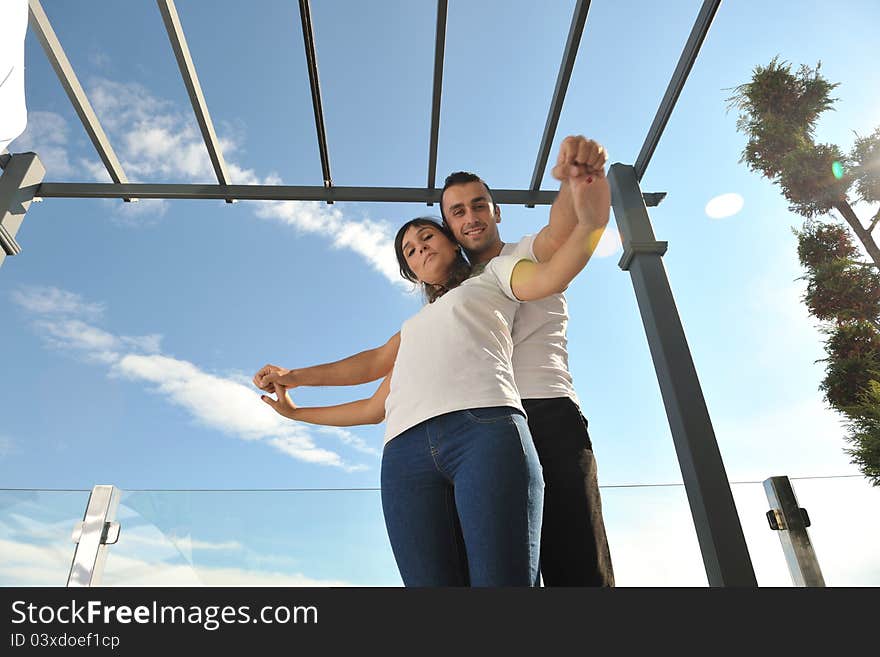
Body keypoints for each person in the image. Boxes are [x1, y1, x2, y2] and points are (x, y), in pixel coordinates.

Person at [256, 136, 614, 586]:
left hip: (535, 411)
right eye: (457, 212)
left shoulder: (509, 263)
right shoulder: (427, 320)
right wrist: (295, 388)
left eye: (479, 205)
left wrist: (578, 187)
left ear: (495, 211)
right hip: (450, 436)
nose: (471, 217)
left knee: (575, 565)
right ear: (450, 228)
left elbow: (560, 235)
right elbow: (373, 382)